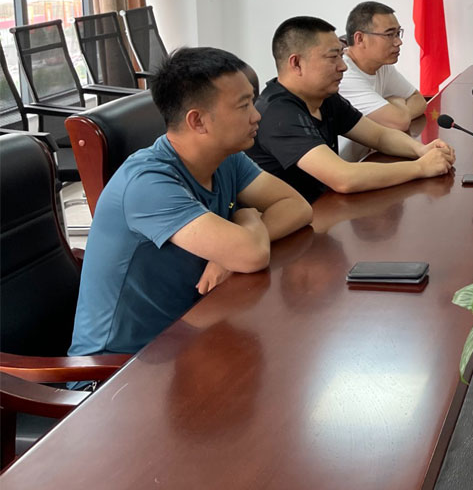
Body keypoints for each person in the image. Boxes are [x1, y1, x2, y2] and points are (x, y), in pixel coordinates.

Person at [69, 47, 313, 357]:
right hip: (120, 369)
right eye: (243, 106)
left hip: (190, 337)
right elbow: (251, 253)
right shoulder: (147, 184)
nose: (256, 115)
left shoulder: (226, 159)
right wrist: (246, 219)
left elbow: (297, 207)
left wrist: (230, 250)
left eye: (252, 101)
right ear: (197, 121)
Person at [247, 16, 455, 202]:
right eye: (332, 57)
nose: (343, 66)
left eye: (341, 55)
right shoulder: (279, 114)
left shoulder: (325, 97)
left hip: (322, 211)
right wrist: (420, 167)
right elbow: (343, 178)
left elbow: (379, 136)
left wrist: (420, 150)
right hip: (292, 234)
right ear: (297, 63)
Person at [337, 1, 428, 162]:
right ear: (360, 38)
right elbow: (399, 122)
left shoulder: (381, 65)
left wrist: (396, 108)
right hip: (341, 171)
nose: (398, 42)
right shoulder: (344, 74)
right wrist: (395, 102)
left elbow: (418, 100)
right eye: (389, 34)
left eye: (398, 33)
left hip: (369, 159)